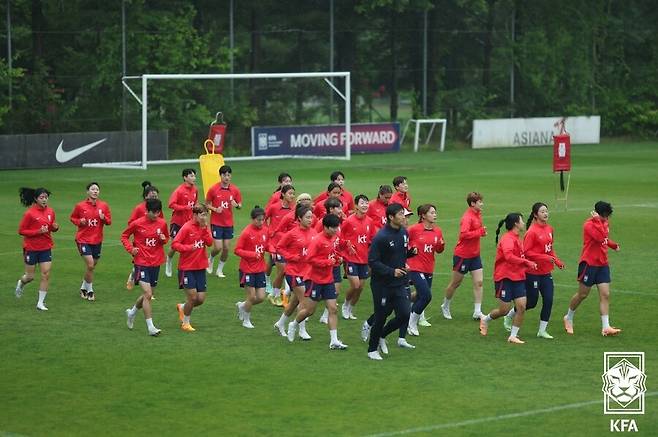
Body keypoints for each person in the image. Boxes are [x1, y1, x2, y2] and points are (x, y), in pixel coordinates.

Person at [287, 214, 348, 350]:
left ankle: (334, 341)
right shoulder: (317, 240)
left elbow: (332, 253)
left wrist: (338, 258)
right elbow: (309, 259)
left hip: (328, 279)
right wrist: (327, 262)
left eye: (337, 227)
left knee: (333, 308)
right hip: (315, 279)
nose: (336, 230)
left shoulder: (334, 238)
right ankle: (294, 324)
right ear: (325, 227)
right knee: (309, 310)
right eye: (333, 228)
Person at [503, 202, 564, 339]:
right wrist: (545, 257)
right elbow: (527, 252)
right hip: (533, 273)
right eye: (542, 212)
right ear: (536, 215)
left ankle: (542, 331)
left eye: (546, 211)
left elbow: (550, 249)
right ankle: (509, 316)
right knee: (531, 302)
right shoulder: (532, 232)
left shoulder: (549, 229)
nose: (545, 213)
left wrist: (557, 261)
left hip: (546, 272)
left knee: (548, 300)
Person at [365, 203, 417, 360]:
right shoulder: (381, 237)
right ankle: (372, 350)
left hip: (399, 282)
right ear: (391, 217)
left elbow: (399, 254)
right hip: (382, 285)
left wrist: (410, 254)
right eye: (400, 214)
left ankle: (383, 335)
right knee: (381, 316)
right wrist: (391, 271)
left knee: (404, 314)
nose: (403, 217)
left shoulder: (404, 233)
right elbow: (373, 261)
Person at [563, 201, 621, 337]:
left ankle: (606, 327)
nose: (606, 219)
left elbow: (605, 239)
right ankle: (568, 317)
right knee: (583, 294)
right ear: (596, 213)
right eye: (603, 216)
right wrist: (597, 221)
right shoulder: (589, 225)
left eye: (607, 217)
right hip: (589, 263)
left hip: (602, 264)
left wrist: (613, 245)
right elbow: (600, 237)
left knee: (605, 294)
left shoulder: (604, 222)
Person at [479, 213, 537, 344]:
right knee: (504, 310)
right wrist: (526, 262)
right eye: (521, 221)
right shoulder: (508, 239)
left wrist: (528, 265)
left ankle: (513, 336)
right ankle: (486, 319)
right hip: (505, 277)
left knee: (521, 307)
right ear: (516, 223)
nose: (523, 223)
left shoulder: (518, 238)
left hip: (518, 277)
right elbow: (508, 256)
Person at [121, 198, 169, 336]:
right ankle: (150, 327)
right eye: (153, 212)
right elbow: (124, 236)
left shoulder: (162, 223)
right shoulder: (137, 223)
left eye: (158, 212)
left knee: (148, 294)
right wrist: (131, 249)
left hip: (156, 262)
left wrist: (162, 239)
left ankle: (132, 312)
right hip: (141, 262)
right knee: (148, 294)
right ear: (146, 211)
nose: (156, 215)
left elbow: (166, 238)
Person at [441, 192, 487, 320]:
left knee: (479, 282)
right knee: (455, 283)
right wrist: (480, 232)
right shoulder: (467, 217)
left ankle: (477, 311)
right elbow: (464, 234)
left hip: (475, 255)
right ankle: (445, 305)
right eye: (480, 202)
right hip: (463, 255)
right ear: (473, 203)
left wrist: (480, 232)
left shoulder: (478, 214)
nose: (482, 204)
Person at [273, 205, 315, 340]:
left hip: (308, 273)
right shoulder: (292, 233)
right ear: (299, 218)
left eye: (311, 217)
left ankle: (280, 323)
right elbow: (279, 247)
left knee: (294, 303)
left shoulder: (314, 233)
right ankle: (301, 330)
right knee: (305, 302)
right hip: (294, 272)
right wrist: (291, 257)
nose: (310, 219)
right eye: (307, 217)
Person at [15, 187, 60, 311]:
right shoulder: (29, 213)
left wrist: (55, 228)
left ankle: (40, 302)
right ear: (36, 199)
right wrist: (38, 231)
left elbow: (50, 227)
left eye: (46, 197)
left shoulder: (51, 212)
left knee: (45, 274)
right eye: (42, 197)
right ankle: (21, 283)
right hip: (31, 248)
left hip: (45, 247)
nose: (44, 200)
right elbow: (21, 231)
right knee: (30, 276)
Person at [173, 204, 213, 332]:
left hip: (200, 267)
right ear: (195, 215)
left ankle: (182, 307)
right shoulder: (186, 228)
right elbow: (175, 244)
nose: (204, 217)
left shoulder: (205, 227)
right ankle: (185, 323)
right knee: (193, 297)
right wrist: (189, 248)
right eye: (202, 214)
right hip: (187, 267)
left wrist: (205, 229)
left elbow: (210, 243)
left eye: (205, 214)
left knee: (200, 299)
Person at [69, 182, 112, 301]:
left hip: (97, 240)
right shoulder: (80, 206)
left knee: (91, 267)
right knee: (90, 264)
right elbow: (73, 217)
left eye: (97, 189)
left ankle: (83, 287)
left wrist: (104, 219)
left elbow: (109, 221)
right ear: (87, 192)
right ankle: (90, 291)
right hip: (83, 239)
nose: (95, 191)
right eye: (93, 189)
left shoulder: (103, 205)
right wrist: (79, 222)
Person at [406, 204, 445, 336]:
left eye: (435, 212)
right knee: (426, 296)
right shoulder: (413, 229)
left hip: (429, 267)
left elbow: (439, 250)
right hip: (415, 267)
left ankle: (401, 300)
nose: (435, 215)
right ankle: (411, 323)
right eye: (432, 212)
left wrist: (441, 245)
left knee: (419, 296)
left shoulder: (437, 231)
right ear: (423, 215)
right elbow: (403, 243)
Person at [234, 206, 269, 329]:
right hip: (247, 269)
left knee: (261, 297)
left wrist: (274, 250)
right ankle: (246, 320)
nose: (261, 222)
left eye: (262, 220)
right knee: (252, 297)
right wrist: (252, 254)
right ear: (252, 219)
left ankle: (242, 305)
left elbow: (266, 245)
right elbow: (237, 250)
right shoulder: (246, 233)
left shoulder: (265, 230)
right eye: (258, 220)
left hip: (260, 269)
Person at [341, 194, 375, 320]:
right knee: (355, 285)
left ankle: (351, 308)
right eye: (362, 203)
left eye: (366, 203)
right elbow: (340, 238)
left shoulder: (370, 222)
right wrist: (347, 245)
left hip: (364, 259)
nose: (365, 205)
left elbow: (371, 239)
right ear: (356, 205)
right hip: (351, 258)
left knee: (360, 287)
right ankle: (345, 304)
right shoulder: (348, 221)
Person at [206, 165, 243, 278]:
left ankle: (219, 270)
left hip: (228, 223)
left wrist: (237, 205)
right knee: (218, 247)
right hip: (216, 222)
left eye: (228, 175)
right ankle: (210, 259)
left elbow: (240, 205)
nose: (227, 177)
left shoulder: (235, 190)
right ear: (220, 176)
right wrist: (215, 209)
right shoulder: (213, 189)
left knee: (226, 248)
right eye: (224, 175)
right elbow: (207, 204)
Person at [125, 181, 162, 290]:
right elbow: (130, 223)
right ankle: (136, 278)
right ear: (146, 196)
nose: (154, 198)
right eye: (152, 196)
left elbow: (161, 221)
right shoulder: (139, 208)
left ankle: (146, 284)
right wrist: (141, 227)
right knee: (140, 259)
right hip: (140, 239)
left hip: (153, 240)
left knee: (149, 261)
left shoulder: (157, 207)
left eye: (156, 196)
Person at [265, 184, 296, 305]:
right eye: (290, 193)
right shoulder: (274, 207)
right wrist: (269, 232)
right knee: (282, 271)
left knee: (287, 271)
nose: (292, 196)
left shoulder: (294, 210)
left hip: (290, 245)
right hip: (276, 245)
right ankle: (277, 294)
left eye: (293, 194)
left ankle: (276, 293)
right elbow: (263, 219)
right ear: (283, 194)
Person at [165, 168, 198, 277]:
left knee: (189, 246)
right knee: (175, 246)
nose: (194, 178)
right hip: (177, 222)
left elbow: (195, 204)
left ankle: (187, 267)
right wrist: (184, 207)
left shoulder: (195, 190)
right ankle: (168, 260)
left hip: (189, 223)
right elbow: (171, 204)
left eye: (194, 176)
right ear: (185, 177)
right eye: (191, 176)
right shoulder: (179, 191)